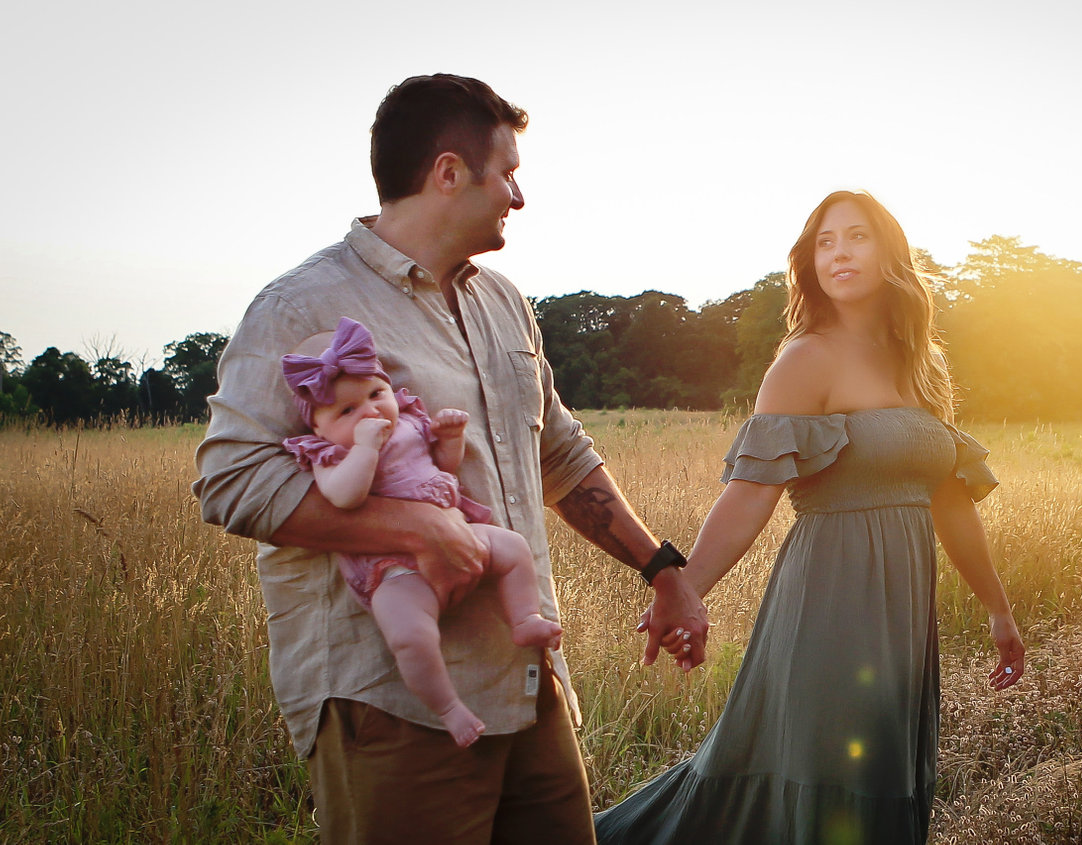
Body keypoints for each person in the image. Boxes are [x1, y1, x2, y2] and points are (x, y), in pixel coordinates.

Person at [193, 74, 707, 843]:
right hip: (394, 700)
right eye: (508, 173)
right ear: (447, 173)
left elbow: (559, 454)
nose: (518, 197)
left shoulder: (503, 301)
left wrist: (663, 569)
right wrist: (416, 531)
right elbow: (230, 481)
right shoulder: (301, 306)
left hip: (530, 689)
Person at [595, 190, 1026, 844]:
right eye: (825, 242)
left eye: (856, 237)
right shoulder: (805, 359)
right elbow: (749, 495)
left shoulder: (924, 365)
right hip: (829, 603)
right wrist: (683, 590)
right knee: (834, 779)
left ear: (890, 254)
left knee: (885, 776)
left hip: (904, 618)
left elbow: (950, 497)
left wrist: (998, 608)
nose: (839, 252)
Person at [281, 316, 563, 748]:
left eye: (377, 394)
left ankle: (524, 618)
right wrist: (365, 449)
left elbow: (442, 472)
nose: (371, 412)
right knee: (410, 636)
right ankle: (448, 707)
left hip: (461, 531)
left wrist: (450, 438)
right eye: (347, 410)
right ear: (317, 428)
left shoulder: (411, 422)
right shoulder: (331, 454)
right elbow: (344, 498)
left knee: (512, 547)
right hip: (392, 569)